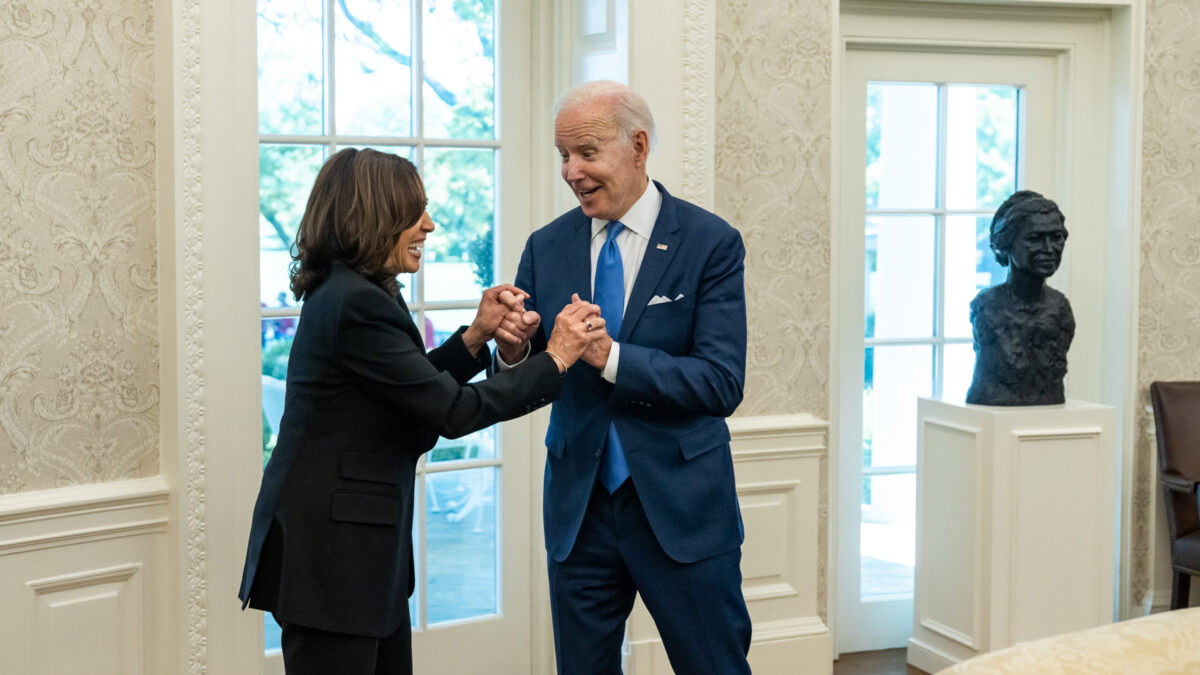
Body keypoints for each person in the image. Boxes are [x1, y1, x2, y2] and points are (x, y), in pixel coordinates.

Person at [237, 148, 604, 675]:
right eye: (415, 212)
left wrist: (475, 338)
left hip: (357, 559)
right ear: (375, 215)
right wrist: (556, 360)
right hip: (334, 562)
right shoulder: (354, 302)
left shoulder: (358, 292)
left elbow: (408, 390)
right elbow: (452, 412)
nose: (428, 225)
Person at [493, 81, 752, 674]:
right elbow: (536, 363)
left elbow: (720, 382)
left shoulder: (711, 243)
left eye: (586, 153)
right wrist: (511, 350)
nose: (571, 171)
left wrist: (611, 357)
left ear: (638, 146)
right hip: (579, 515)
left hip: (681, 509)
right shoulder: (546, 246)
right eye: (563, 155)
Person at [966, 190, 1075, 405]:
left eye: (1056, 237)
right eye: (1035, 238)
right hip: (994, 411)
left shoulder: (1060, 308)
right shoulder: (987, 308)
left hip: (1047, 417)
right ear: (1007, 243)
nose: (1049, 249)